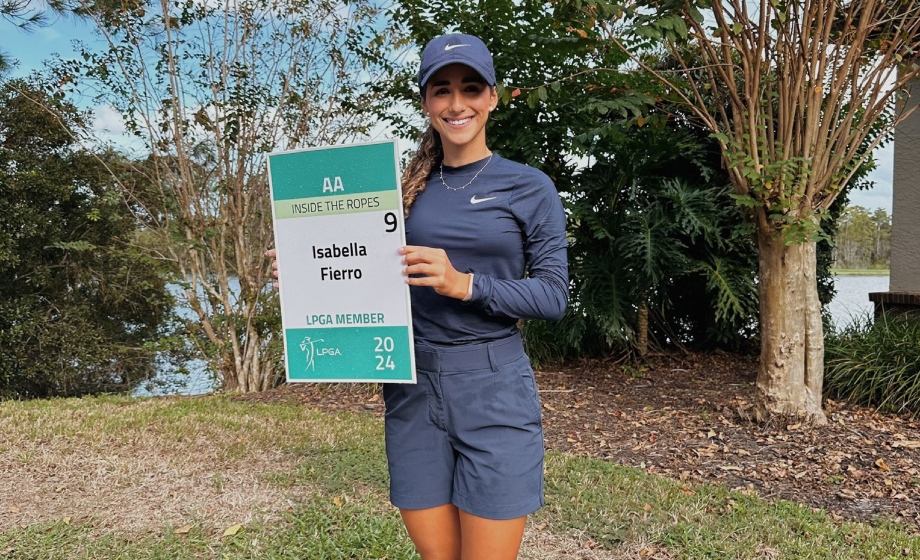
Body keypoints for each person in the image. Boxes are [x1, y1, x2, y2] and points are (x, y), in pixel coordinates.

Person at [271, 32, 568, 560]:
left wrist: (466, 284)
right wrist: (304, 269)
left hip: (493, 388)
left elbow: (551, 296)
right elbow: (357, 267)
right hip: (410, 386)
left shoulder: (528, 187)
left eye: (471, 88)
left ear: (493, 97)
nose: (457, 104)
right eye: (442, 90)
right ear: (426, 101)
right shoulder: (398, 189)